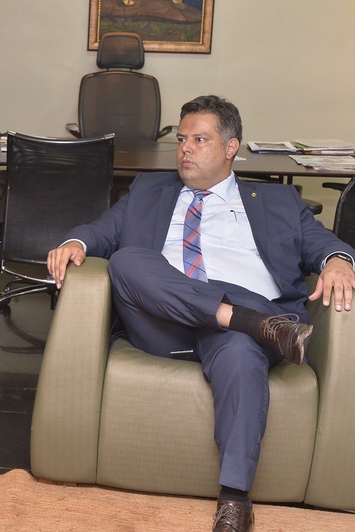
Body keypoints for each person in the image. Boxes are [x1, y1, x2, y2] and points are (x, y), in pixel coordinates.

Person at [47, 95, 355, 531]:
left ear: (231, 147)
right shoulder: (148, 191)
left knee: (241, 353)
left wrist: (338, 260)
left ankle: (234, 501)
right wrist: (74, 242)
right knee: (127, 261)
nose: (185, 149)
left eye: (200, 140)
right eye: (181, 140)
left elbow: (323, 243)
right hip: (167, 326)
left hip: (236, 339)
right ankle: (253, 320)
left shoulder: (278, 200)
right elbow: (100, 231)